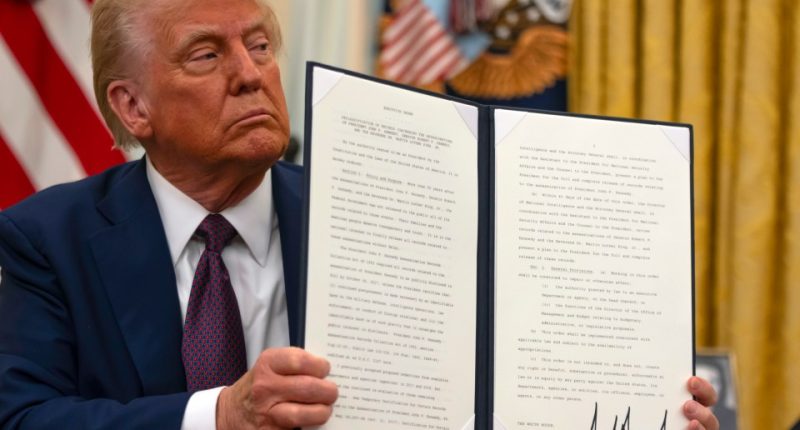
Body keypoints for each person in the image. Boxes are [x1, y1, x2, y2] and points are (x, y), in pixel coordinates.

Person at [0, 0, 720, 429]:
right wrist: (220, 415)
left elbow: (490, 397)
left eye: (258, 44)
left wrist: (642, 409)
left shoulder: (396, 216)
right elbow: (22, 417)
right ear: (132, 106)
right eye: (205, 54)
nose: (251, 73)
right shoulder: (46, 240)